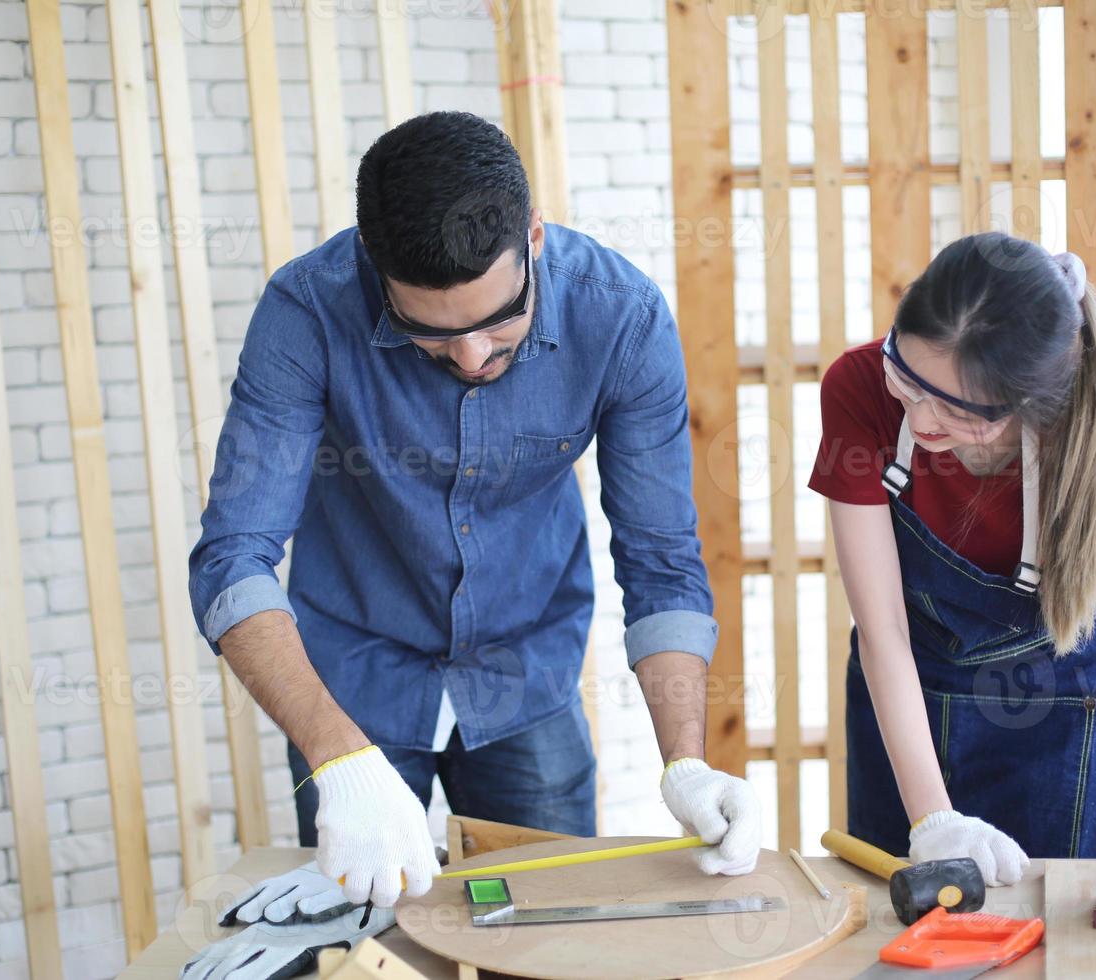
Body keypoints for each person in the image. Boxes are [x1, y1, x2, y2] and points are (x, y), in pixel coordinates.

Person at [188, 111, 760, 910]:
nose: (470, 358)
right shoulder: (307, 312)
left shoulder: (621, 319)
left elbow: (660, 561)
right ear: (373, 265)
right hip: (353, 679)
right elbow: (232, 557)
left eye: (500, 324)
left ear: (533, 235)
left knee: (546, 938)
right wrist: (335, 759)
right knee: (361, 944)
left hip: (527, 676)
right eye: (429, 335)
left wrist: (686, 765)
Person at [808, 231, 1096, 885]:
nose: (919, 422)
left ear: (1032, 407)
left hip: (1056, 715)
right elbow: (883, 625)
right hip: (905, 705)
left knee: (1057, 937)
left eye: (955, 410)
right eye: (906, 379)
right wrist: (932, 821)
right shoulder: (860, 389)